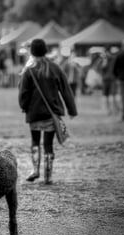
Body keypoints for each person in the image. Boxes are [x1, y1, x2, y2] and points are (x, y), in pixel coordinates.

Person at [18, 39, 77, 184]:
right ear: (45, 50)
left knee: (35, 141)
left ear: (32, 51)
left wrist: (24, 107)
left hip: (34, 112)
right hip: (51, 113)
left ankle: (35, 170)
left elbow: (23, 93)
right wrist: (71, 109)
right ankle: (48, 175)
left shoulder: (28, 70)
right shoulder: (55, 68)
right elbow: (66, 90)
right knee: (48, 144)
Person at [112, 40, 124, 123]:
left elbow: (114, 68)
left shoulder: (120, 55)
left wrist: (118, 76)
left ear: (123, 46)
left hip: (122, 80)